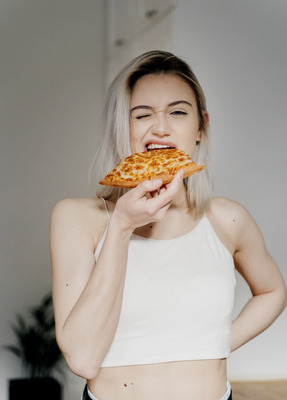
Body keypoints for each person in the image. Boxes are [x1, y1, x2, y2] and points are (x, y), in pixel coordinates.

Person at [50, 50, 287, 400]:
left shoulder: (227, 219)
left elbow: (273, 291)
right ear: (122, 129)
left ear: (200, 129)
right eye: (142, 115)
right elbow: (83, 359)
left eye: (177, 112)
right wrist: (121, 227)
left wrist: (217, 342)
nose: (160, 127)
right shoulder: (77, 218)